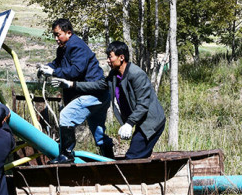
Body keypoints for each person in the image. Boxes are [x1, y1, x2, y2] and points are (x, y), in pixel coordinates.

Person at [53, 41, 165, 159]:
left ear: (121, 57)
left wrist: (129, 123)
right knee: (136, 158)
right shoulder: (114, 74)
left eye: (110, 57)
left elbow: (143, 104)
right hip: (141, 121)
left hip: (151, 122)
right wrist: (71, 84)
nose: (107, 60)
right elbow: (99, 85)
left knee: (133, 158)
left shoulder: (137, 74)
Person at [37, 18, 113, 163]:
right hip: (98, 96)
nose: (56, 38)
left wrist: (53, 73)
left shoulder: (76, 46)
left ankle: (66, 155)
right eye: (55, 35)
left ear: (69, 33)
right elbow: (57, 64)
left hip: (92, 93)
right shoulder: (64, 48)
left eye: (58, 34)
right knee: (99, 134)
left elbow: (75, 71)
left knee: (66, 115)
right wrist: (45, 67)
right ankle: (111, 161)